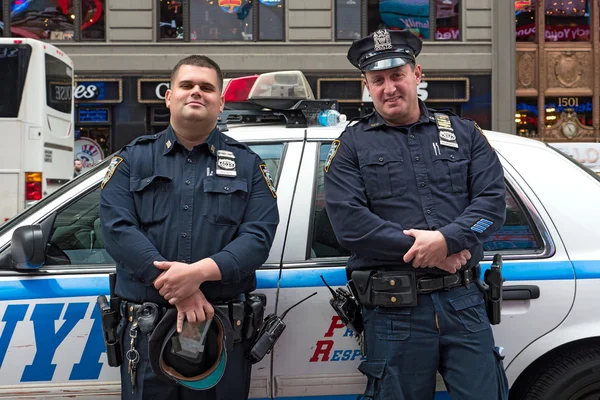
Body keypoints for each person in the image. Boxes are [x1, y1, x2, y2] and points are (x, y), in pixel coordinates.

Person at [323, 29, 509, 400]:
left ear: (417, 75)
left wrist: (446, 240)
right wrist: (435, 250)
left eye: (397, 76)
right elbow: (350, 225)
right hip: (394, 310)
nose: (389, 87)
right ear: (367, 86)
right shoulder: (350, 145)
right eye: (378, 80)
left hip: (465, 302)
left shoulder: (465, 133)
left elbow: (492, 205)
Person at [99, 54, 279, 400]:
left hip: (223, 333)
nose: (196, 92)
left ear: (221, 101)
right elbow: (117, 230)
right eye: (187, 85)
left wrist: (197, 274)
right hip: (146, 329)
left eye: (207, 87)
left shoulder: (248, 165)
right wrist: (182, 288)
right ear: (169, 96)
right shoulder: (132, 160)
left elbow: (258, 237)